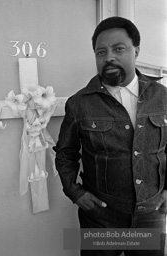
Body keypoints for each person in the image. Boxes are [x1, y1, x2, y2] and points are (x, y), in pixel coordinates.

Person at [53, 16, 167, 256]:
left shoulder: (163, 97)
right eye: (100, 52)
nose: (109, 57)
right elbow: (65, 154)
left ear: (136, 50)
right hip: (101, 218)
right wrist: (75, 192)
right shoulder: (79, 103)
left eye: (118, 49)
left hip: (150, 214)